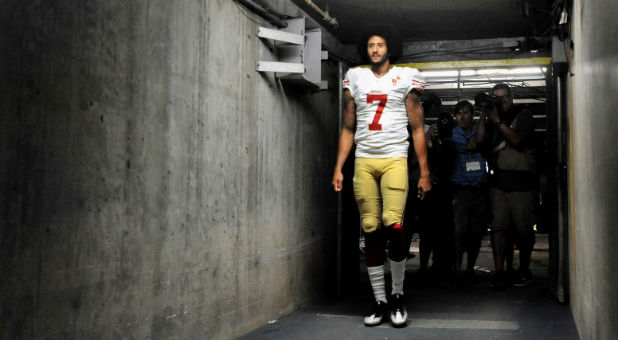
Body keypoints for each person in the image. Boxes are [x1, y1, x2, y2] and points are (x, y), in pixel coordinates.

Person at [331, 25, 431, 327]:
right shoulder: (355, 78)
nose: (375, 49)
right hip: (364, 161)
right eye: (371, 45)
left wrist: (425, 172)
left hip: (394, 159)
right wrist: (338, 167)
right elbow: (348, 128)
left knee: (395, 225)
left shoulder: (404, 76)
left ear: (390, 48)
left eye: (380, 44)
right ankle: (379, 300)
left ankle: (398, 294)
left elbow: (417, 128)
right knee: (371, 227)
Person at [483, 83, 537, 291]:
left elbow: (517, 141)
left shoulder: (523, 115)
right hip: (500, 183)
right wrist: (483, 115)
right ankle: (499, 271)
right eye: (497, 98)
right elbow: (480, 139)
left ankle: (523, 269)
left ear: (511, 97)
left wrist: (498, 122)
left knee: (524, 230)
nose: (502, 101)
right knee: (498, 229)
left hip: (522, 184)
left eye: (504, 97)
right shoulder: (493, 119)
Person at [449, 100, 488, 286]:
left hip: (478, 189)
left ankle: (470, 268)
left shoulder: (479, 134)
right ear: (456, 116)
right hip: (460, 189)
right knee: (459, 231)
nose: (463, 116)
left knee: (475, 231)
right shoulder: (452, 134)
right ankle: (456, 269)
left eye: (466, 113)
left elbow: (483, 139)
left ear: (472, 115)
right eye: (460, 113)